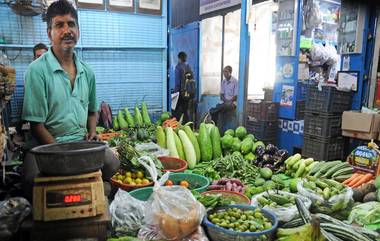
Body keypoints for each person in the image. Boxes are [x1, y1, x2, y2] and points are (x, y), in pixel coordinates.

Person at [21, 0, 119, 200]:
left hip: (81, 143)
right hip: (46, 147)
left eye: (71, 24)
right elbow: (36, 126)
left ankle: (94, 195)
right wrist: (62, 154)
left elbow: (93, 111)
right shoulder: (37, 70)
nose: (67, 30)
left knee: (114, 166)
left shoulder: (87, 72)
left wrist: (92, 131)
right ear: (50, 33)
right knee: (32, 183)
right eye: (59, 25)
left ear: (78, 30)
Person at [173, 51, 193, 123]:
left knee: (176, 110)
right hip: (189, 93)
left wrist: (175, 92)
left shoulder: (178, 67)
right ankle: (188, 127)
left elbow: (177, 82)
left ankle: (175, 125)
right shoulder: (189, 67)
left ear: (179, 58)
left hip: (181, 92)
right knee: (186, 110)